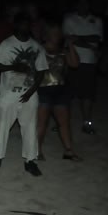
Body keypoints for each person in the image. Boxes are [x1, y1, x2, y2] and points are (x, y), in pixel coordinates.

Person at [0, 12, 48, 176]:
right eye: (22, 24)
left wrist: (32, 91)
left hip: (29, 94)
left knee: (30, 127)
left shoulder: (37, 47)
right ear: (16, 26)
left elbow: (41, 71)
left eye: (28, 24)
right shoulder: (6, 44)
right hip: (8, 94)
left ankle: (31, 160)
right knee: (1, 126)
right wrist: (13, 67)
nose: (26, 27)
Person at [37, 23, 82, 161]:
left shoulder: (63, 50)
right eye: (54, 32)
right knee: (41, 123)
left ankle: (68, 151)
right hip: (43, 89)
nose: (57, 35)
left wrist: (70, 45)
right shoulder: (39, 49)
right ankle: (36, 150)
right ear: (47, 34)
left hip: (60, 90)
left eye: (59, 33)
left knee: (64, 122)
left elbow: (75, 64)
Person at [62, 0, 103, 135]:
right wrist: (90, 46)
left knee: (88, 95)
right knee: (68, 95)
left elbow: (97, 37)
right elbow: (68, 39)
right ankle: (62, 122)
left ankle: (87, 123)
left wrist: (77, 38)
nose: (83, 5)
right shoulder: (69, 19)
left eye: (86, 3)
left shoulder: (96, 20)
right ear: (76, 4)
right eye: (80, 2)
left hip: (90, 62)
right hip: (72, 60)